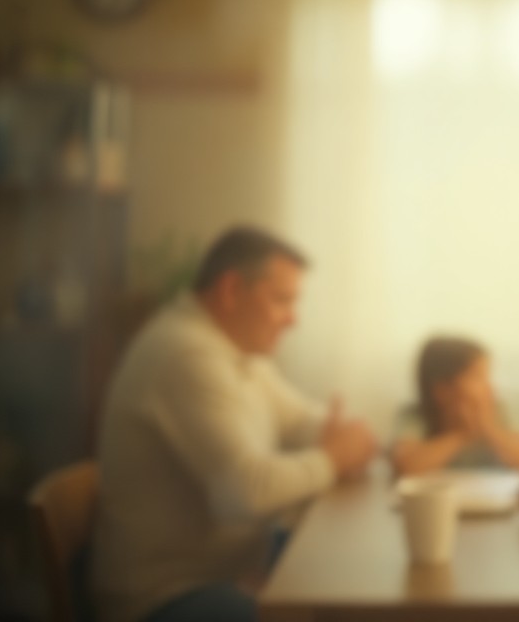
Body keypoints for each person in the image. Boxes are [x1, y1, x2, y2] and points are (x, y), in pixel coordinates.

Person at [92, 226, 379, 622]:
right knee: (344, 600)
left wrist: (362, 441)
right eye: (281, 300)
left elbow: (300, 420)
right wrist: (333, 458)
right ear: (230, 291)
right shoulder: (186, 355)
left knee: (351, 575)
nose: (292, 319)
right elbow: (245, 492)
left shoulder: (233, 350)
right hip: (165, 597)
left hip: (228, 569)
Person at [390, 336, 519, 475]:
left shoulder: (501, 409)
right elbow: (405, 467)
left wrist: (487, 428)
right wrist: (461, 435)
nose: (489, 387)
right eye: (478, 377)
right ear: (443, 390)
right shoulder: (414, 414)